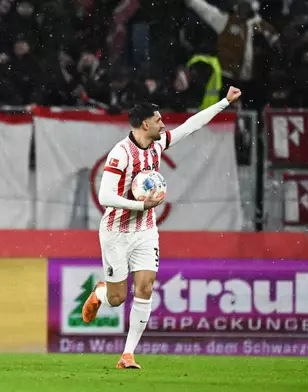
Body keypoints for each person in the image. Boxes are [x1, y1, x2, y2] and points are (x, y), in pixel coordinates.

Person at [82, 86, 242, 369]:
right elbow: (104, 197)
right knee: (118, 298)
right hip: (116, 231)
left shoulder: (156, 145)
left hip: (145, 230)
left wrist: (223, 103)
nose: (163, 124)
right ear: (146, 124)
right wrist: (141, 206)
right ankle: (100, 293)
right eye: (158, 120)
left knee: (145, 287)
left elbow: (191, 126)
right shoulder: (121, 154)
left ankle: (128, 354)